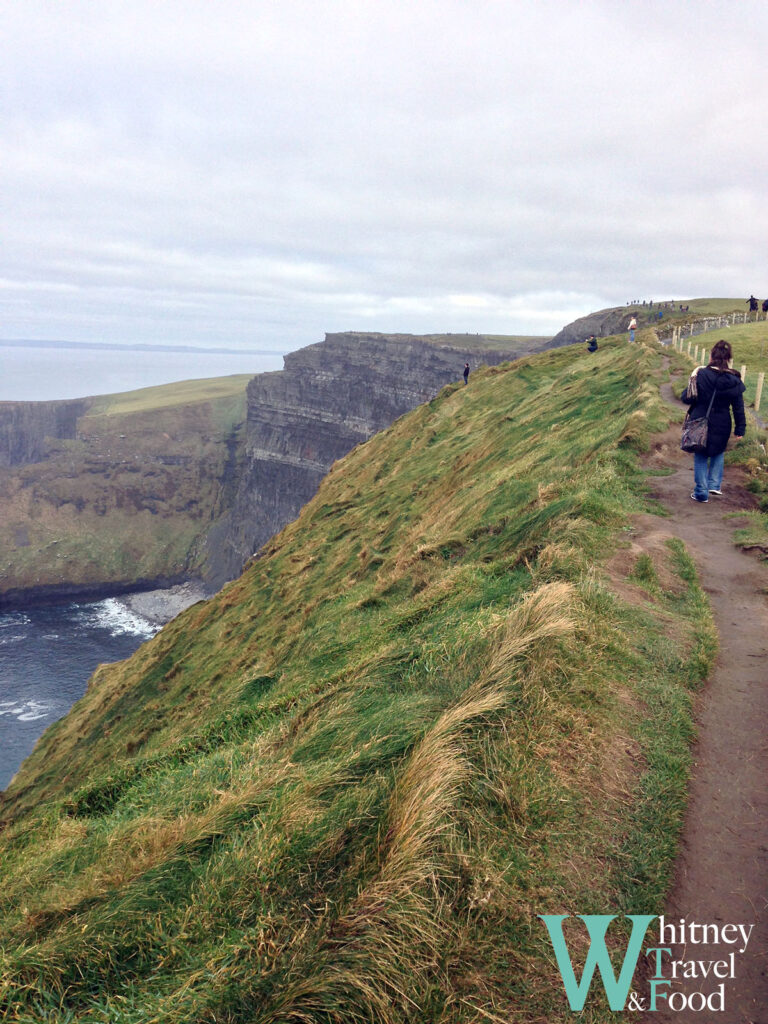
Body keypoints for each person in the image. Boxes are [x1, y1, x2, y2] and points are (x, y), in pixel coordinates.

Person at [681, 339, 746, 502]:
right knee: (718, 449)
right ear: (728, 359)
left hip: (701, 419)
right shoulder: (735, 379)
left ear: (711, 356)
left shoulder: (701, 374)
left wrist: (693, 377)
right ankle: (714, 485)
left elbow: (686, 398)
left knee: (701, 453)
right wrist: (740, 429)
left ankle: (701, 492)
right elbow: (738, 407)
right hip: (723, 421)